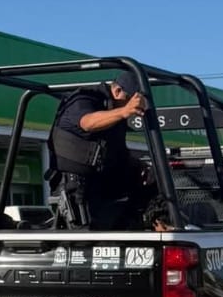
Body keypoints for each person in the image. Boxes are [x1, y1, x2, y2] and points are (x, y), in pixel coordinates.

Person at [47, 69, 150, 228]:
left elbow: (118, 153)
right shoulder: (85, 99)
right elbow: (87, 123)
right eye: (131, 101)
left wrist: (139, 168)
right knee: (88, 241)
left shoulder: (116, 118)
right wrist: (124, 111)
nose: (134, 109)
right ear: (117, 91)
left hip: (101, 184)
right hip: (75, 186)